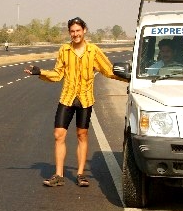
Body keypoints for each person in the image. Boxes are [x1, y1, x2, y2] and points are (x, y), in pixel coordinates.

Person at [24, 16, 128, 187]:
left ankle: (80, 174)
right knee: (58, 134)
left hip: (85, 99)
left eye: (78, 31)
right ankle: (58, 175)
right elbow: (58, 75)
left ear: (84, 30)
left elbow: (108, 70)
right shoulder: (64, 50)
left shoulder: (93, 51)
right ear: (69, 33)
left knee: (82, 135)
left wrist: (130, 79)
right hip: (67, 97)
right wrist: (40, 72)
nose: (75, 34)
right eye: (72, 31)